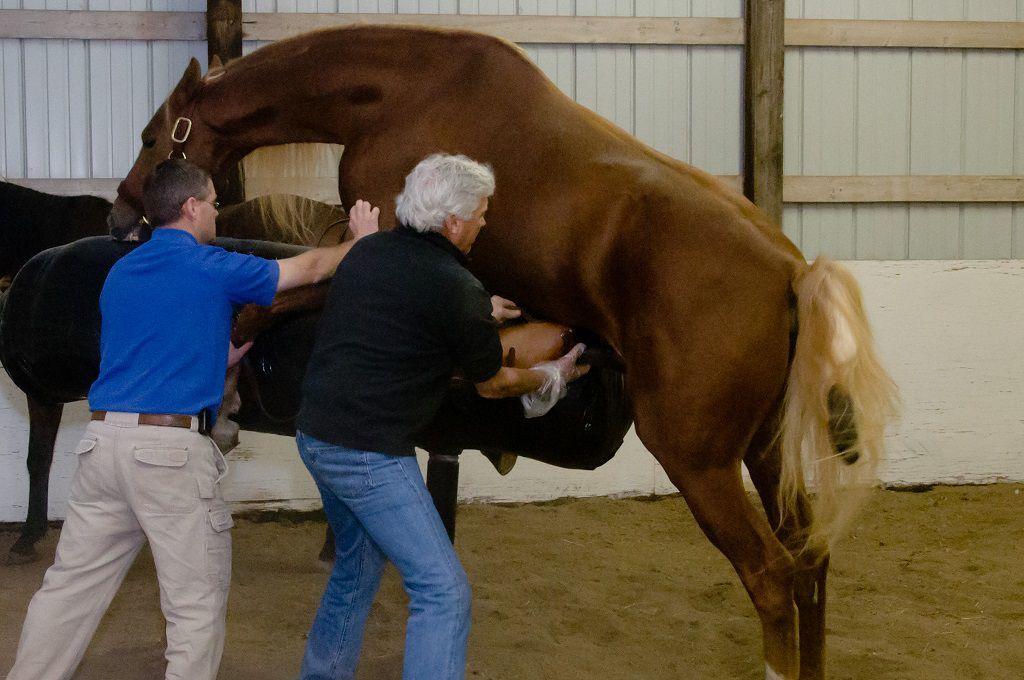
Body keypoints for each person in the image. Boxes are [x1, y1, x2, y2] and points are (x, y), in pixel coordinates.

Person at [5, 158, 379, 680]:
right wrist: (360, 239)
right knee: (194, 607)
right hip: (170, 455)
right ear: (191, 207)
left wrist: (223, 351)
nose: (218, 214)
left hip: (102, 446)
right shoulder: (213, 267)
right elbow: (313, 269)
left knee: (69, 589)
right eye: (214, 203)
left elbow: (151, 353)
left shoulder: (122, 271)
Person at [294, 153, 588, 680]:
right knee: (442, 592)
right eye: (480, 213)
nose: (484, 221)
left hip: (315, 435)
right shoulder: (454, 285)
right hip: (369, 454)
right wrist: (552, 376)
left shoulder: (368, 254)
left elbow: (406, 308)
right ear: (453, 221)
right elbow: (493, 381)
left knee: (357, 569)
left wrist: (475, 312)